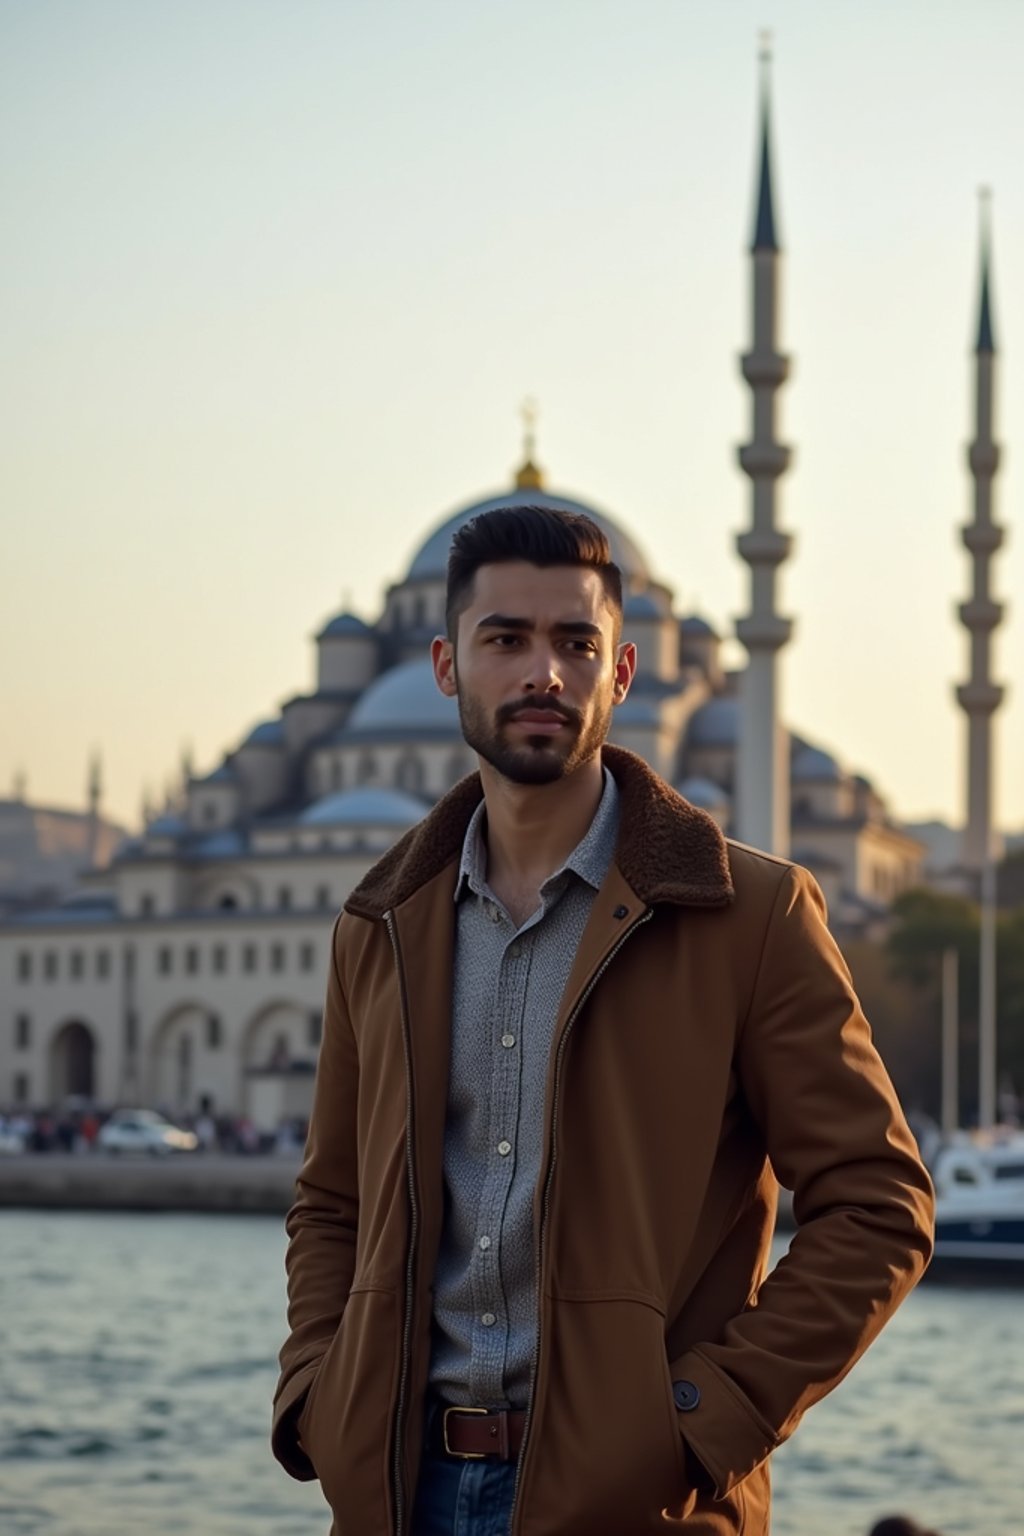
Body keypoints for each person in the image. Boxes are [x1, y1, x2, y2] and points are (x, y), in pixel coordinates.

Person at [273, 506, 934, 1535]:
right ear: (444, 665)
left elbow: (879, 1205)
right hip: (400, 1492)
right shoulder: (382, 924)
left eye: (574, 643)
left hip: (636, 1502)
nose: (543, 673)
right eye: (506, 640)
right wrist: (320, 1398)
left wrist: (695, 1424)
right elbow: (331, 1205)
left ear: (623, 672)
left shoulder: (749, 917)